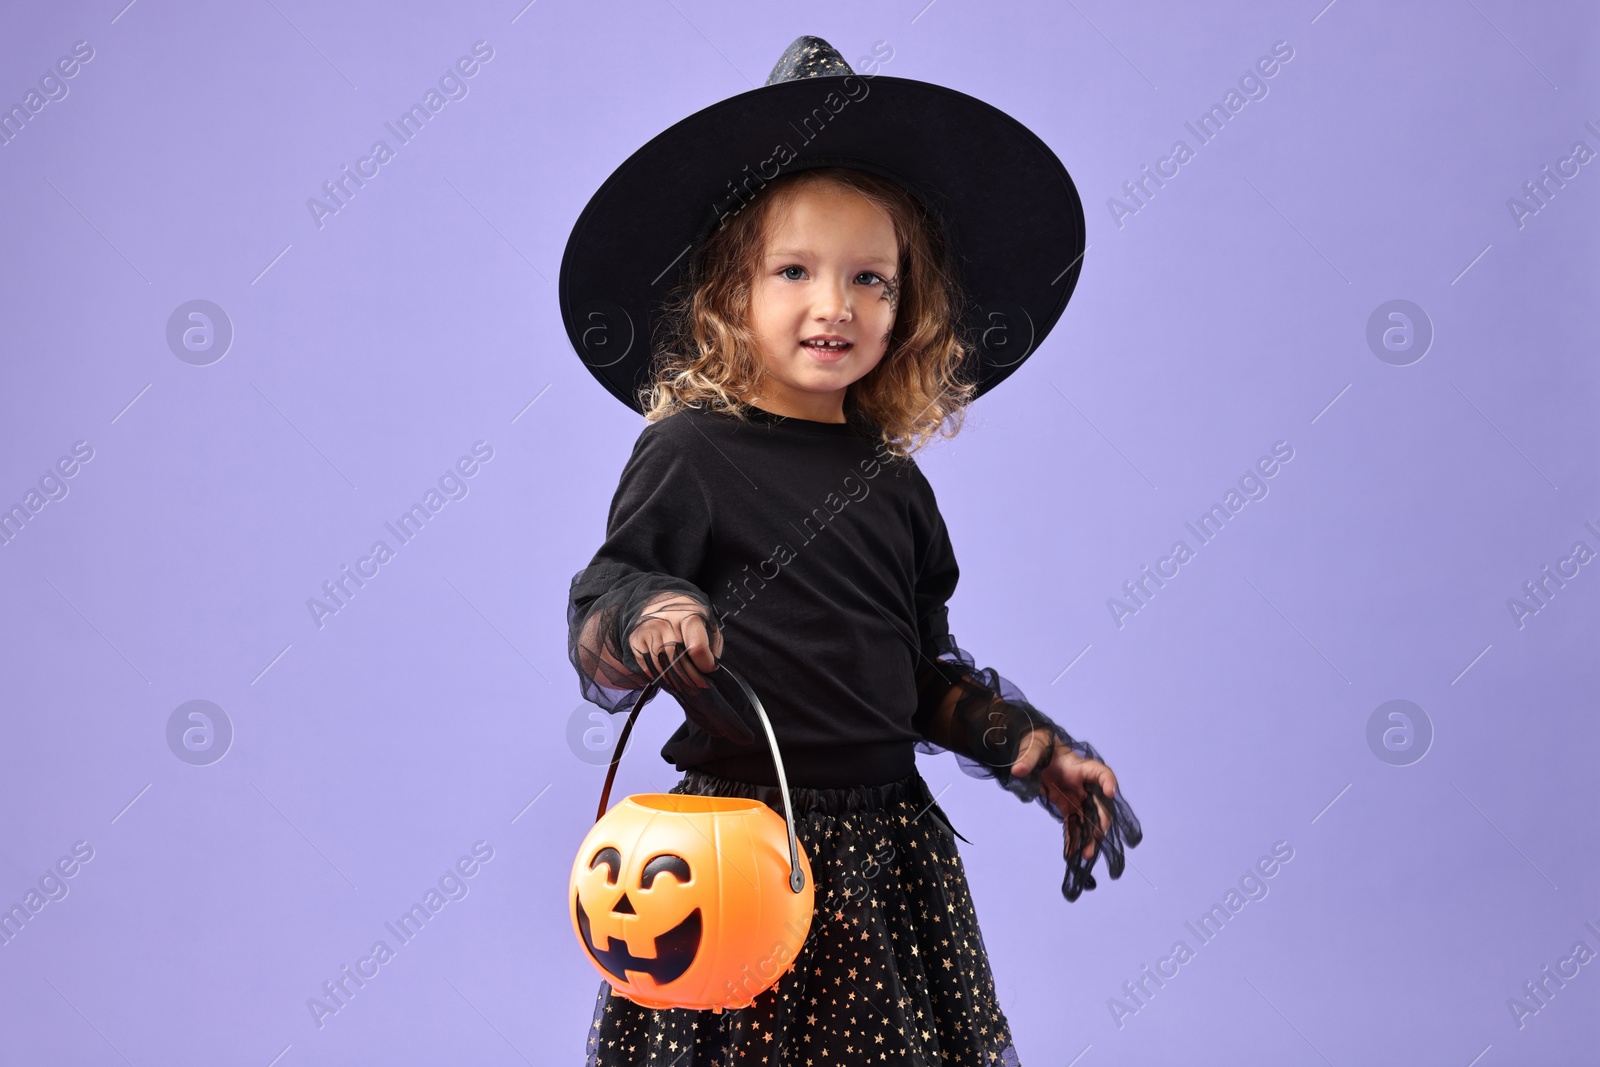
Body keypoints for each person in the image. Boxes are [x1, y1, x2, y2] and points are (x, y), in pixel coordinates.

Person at [561, 36, 1141, 1066]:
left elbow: (920, 676)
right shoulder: (690, 451)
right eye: (795, 270)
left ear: (907, 306)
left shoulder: (893, 483)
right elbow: (605, 592)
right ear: (729, 291)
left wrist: (1034, 748)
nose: (834, 304)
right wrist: (654, 613)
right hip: (733, 850)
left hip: (887, 855)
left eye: (869, 277)